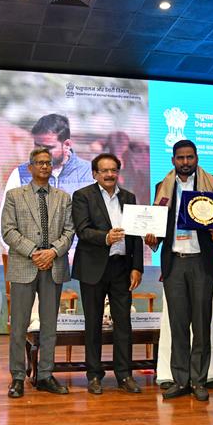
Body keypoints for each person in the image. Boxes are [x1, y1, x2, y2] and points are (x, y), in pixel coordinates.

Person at [144, 139, 213, 402]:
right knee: (179, 324)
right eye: (180, 158)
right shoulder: (163, 186)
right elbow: (158, 224)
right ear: (173, 160)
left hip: (202, 262)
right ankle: (180, 380)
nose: (185, 162)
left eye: (190, 157)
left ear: (197, 158)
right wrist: (152, 238)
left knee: (202, 324)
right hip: (174, 262)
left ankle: (199, 379)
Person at [1, 148, 75, 398]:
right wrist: (35, 252)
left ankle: (45, 375)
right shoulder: (14, 195)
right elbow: (8, 231)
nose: (44, 166)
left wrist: (52, 252)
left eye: (48, 163)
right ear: (30, 167)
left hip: (53, 266)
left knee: (50, 326)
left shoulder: (64, 198)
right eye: (39, 163)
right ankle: (18, 377)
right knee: (19, 326)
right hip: (25, 265)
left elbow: (69, 231)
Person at [71, 153, 144, 395]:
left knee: (124, 323)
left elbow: (135, 236)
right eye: (104, 171)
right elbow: (82, 230)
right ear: (94, 174)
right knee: (93, 324)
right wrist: (105, 237)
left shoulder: (129, 198)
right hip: (92, 268)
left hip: (122, 268)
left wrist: (137, 267)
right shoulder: (83, 196)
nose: (109, 174)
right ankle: (94, 375)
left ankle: (124, 375)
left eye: (113, 170)